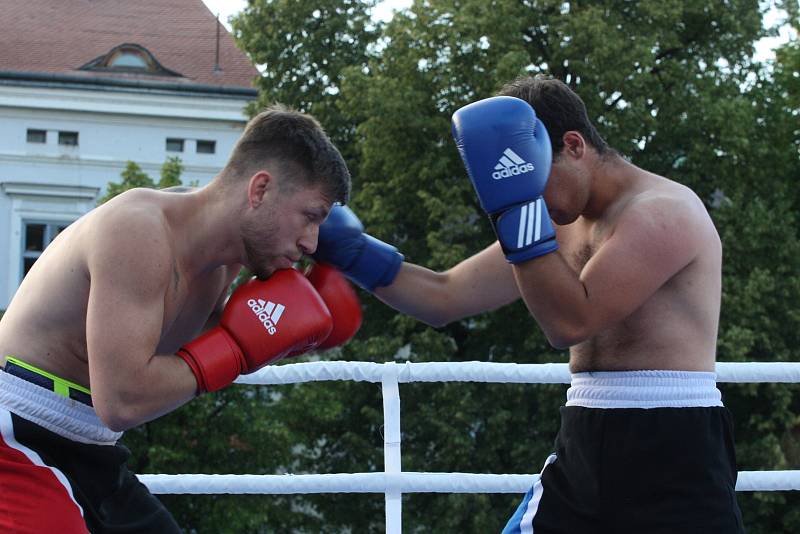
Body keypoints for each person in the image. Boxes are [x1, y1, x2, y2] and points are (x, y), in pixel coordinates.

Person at [313, 76, 744, 533]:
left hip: (674, 447)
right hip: (583, 437)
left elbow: (570, 322)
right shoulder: (554, 224)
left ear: (573, 145)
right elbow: (444, 296)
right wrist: (352, 251)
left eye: (531, 178)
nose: (530, 198)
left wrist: (515, 209)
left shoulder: (663, 212)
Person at [0, 105, 362, 533]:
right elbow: (122, 401)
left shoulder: (224, 263)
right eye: (311, 216)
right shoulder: (139, 231)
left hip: (92, 445)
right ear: (260, 189)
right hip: (16, 431)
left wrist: (271, 339)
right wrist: (239, 348)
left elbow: (179, 374)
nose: (310, 241)